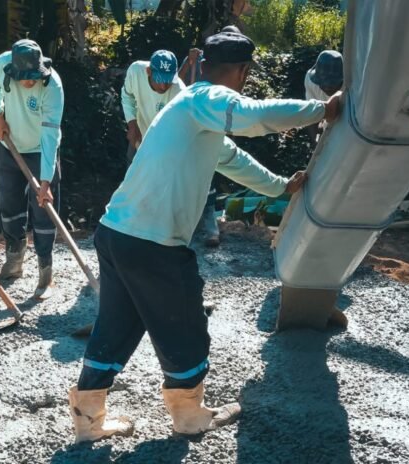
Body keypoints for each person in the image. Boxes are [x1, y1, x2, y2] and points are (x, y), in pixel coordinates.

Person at [68, 30, 342, 442]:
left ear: (200, 63)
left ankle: (87, 418)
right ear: (243, 71)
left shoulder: (188, 110)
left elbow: (231, 158)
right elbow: (253, 117)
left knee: (116, 325)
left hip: (116, 233)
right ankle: (190, 415)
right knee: (185, 326)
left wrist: (280, 186)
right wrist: (321, 110)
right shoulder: (206, 100)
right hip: (153, 244)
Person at [0, 39, 64, 299]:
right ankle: (14, 260)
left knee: (44, 212)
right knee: (9, 205)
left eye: (34, 76)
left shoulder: (52, 86)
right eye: (25, 78)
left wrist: (45, 182)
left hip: (41, 150)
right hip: (10, 147)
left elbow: (51, 134)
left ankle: (45, 273)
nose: (30, 82)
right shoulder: (1, 65)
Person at [178, 25, 242, 248]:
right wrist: (189, 62)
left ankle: (210, 229)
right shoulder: (207, 63)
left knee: (210, 180)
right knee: (194, 181)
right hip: (196, 130)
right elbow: (179, 86)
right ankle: (188, 227)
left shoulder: (234, 68)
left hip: (216, 129)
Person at [122, 50, 185, 164]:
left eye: (168, 80)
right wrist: (132, 124)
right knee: (132, 170)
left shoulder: (180, 93)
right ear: (149, 71)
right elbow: (127, 96)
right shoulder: (135, 71)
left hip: (165, 146)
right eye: (159, 79)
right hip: (139, 134)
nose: (163, 86)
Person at [304, 50, 344, 141]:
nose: (326, 87)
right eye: (322, 83)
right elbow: (311, 114)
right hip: (328, 132)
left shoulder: (354, 86)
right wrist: (316, 142)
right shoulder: (310, 81)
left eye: (331, 84)